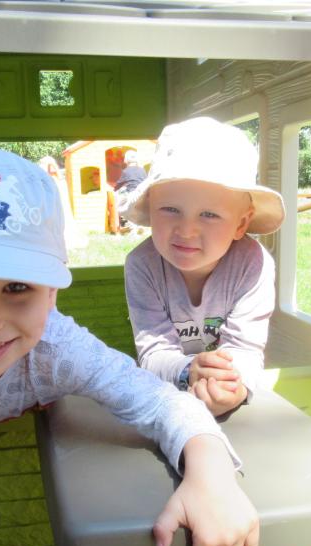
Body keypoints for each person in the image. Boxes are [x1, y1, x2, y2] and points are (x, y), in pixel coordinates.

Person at [0, 146, 259, 546]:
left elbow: (158, 401)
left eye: (16, 287)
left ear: (51, 294)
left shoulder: (58, 349)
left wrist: (212, 473)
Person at [124, 117, 285, 417]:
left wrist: (235, 387)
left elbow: (245, 349)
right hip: (165, 400)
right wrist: (189, 370)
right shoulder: (142, 265)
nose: (187, 230)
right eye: (170, 209)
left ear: (241, 224)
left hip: (225, 387)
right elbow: (154, 351)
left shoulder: (253, 264)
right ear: (150, 209)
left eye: (209, 214)